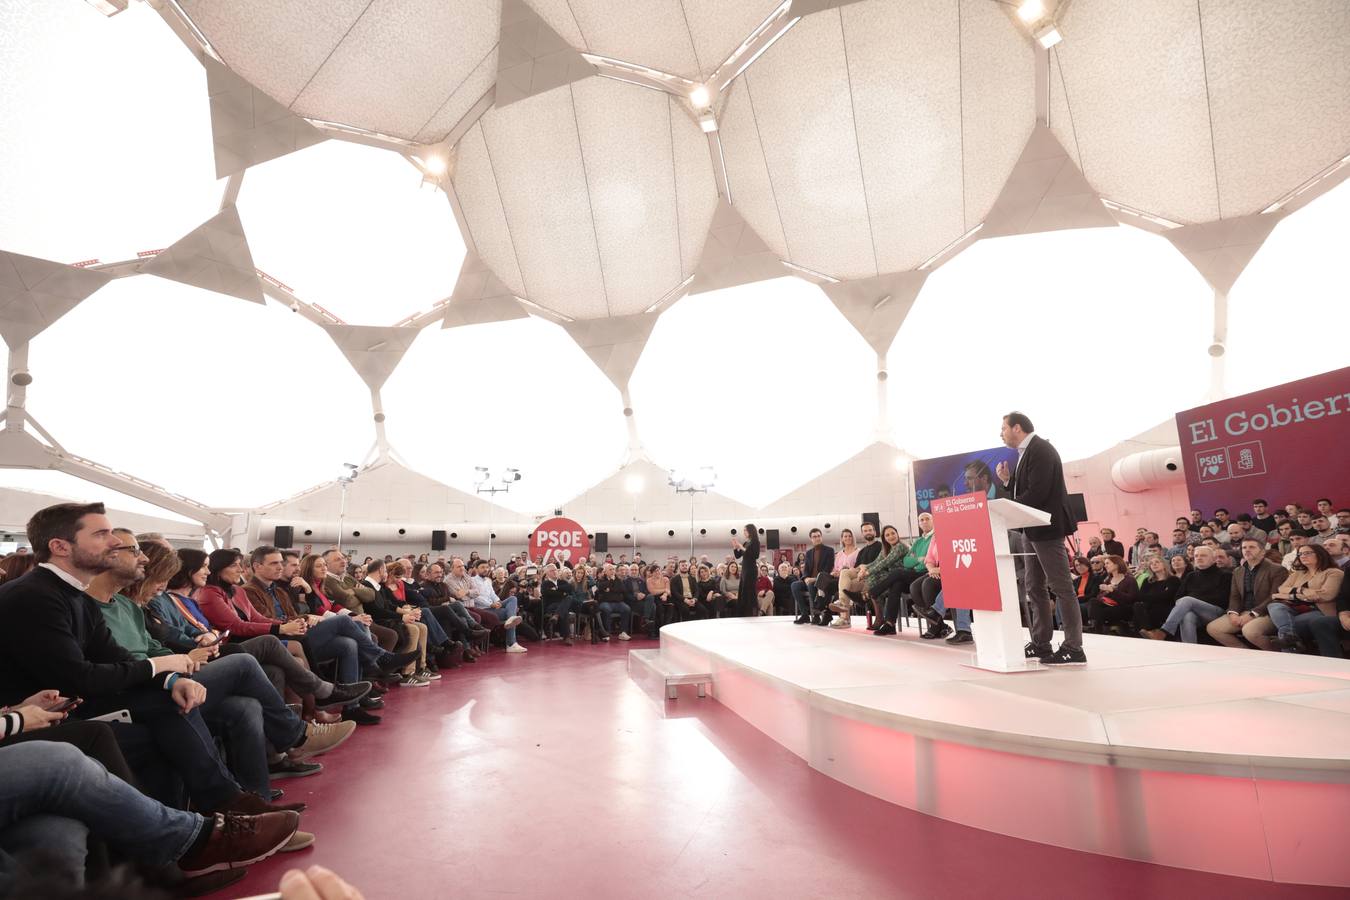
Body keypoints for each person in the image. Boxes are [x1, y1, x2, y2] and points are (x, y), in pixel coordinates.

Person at [994, 413, 1085, 664]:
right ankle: (1041, 643)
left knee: (1061, 587)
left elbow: (1037, 493)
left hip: (1046, 528)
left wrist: (1005, 507)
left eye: (1003, 428)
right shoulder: (1026, 452)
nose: (1000, 433)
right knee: (1034, 587)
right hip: (1030, 528)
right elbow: (1027, 490)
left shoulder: (1041, 449)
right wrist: (1007, 482)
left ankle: (1073, 647)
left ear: (1017, 427)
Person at [1206, 537, 1287, 648]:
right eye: (1244, 547)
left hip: (1267, 613)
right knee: (1213, 628)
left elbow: (1274, 597)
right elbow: (1235, 596)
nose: (1247, 550)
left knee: (1250, 631)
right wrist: (1233, 613)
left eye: (1252, 547)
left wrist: (1252, 614)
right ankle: (1244, 652)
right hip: (1243, 612)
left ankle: (1276, 654)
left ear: (1262, 552)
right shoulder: (1238, 571)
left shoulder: (1277, 569)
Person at [1262, 543, 1343, 651]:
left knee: (1289, 624)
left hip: (1319, 609)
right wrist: (1302, 590)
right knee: (1274, 606)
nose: (1303, 556)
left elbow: (1326, 595)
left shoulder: (1334, 572)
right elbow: (1281, 589)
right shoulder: (1298, 573)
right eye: (1300, 554)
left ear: (1320, 554)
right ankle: (1290, 639)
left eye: (1307, 553)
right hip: (1297, 608)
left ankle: (1289, 643)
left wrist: (1289, 595)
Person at [791, 529, 834, 625]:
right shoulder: (809, 552)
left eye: (819, 536)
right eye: (814, 536)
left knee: (811, 585)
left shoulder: (829, 550)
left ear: (821, 537)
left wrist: (814, 579)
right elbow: (806, 569)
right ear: (811, 539)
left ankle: (816, 615)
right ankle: (805, 615)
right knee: (794, 585)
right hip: (809, 579)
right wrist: (805, 578)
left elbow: (828, 569)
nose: (817, 538)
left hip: (823, 580)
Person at [1131, 556, 1179, 633]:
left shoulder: (1173, 579)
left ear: (1164, 564)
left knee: (1149, 608)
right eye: (1151, 563)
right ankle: (1148, 632)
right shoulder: (1148, 580)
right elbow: (1140, 596)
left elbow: (1167, 596)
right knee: (1137, 605)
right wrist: (1158, 595)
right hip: (1148, 606)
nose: (1154, 564)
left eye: (1157, 562)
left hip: (1165, 607)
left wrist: (1150, 597)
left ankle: (1149, 632)